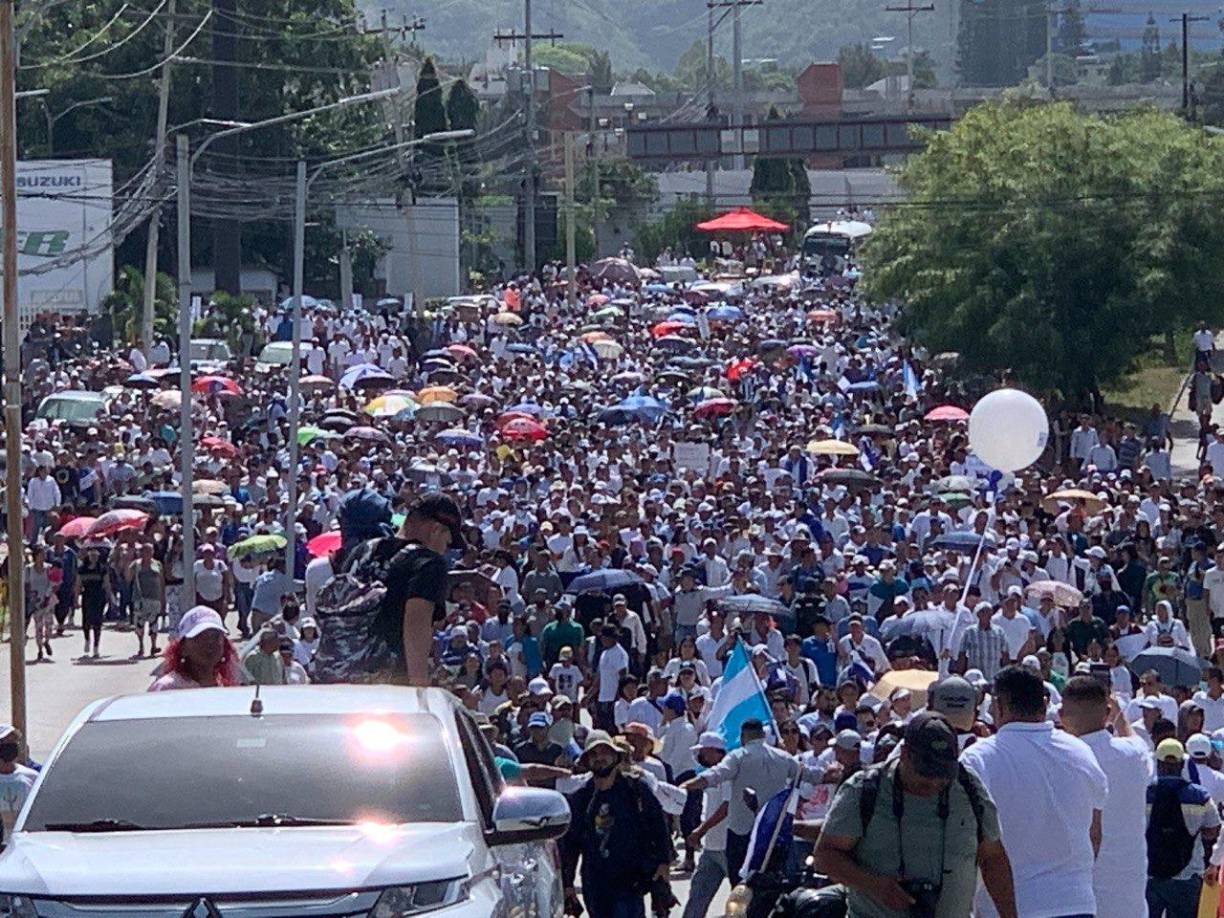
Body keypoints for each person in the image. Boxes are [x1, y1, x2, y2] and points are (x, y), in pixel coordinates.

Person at [816, 712, 1019, 918]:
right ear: (904, 754)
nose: (933, 783)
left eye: (942, 775)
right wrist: (874, 886)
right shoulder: (866, 790)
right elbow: (825, 855)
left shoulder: (968, 787)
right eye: (925, 773)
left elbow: (993, 858)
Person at [961, 665, 1107, 918]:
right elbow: (1094, 833)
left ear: (999, 704)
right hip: (1076, 903)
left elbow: (981, 849)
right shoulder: (1080, 751)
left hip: (1010, 908)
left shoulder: (978, 759)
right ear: (1043, 703)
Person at [1060, 675, 1152, 918]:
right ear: (1107, 711)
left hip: (1075, 896)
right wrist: (1120, 715)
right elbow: (1135, 740)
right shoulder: (1134, 754)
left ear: (1061, 716)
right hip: (1128, 895)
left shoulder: (1060, 760)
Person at [681, 718, 810, 883]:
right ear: (763, 735)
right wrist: (833, 774)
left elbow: (715, 775)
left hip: (741, 834)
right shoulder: (784, 757)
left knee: (741, 887)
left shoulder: (738, 757)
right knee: (773, 883)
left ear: (742, 737)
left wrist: (687, 785)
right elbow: (811, 775)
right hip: (771, 832)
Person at [561, 730, 673, 918]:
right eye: (594, 754)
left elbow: (658, 826)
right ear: (587, 761)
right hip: (595, 884)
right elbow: (571, 844)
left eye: (605, 752)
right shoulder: (581, 799)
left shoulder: (635, 790)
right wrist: (567, 884)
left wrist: (664, 862)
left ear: (615, 756)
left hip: (630, 881)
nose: (600, 758)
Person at [1145, 738, 1220, 918]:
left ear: (1159, 763)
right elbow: (1213, 830)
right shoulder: (1199, 795)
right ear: (1182, 763)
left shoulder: (1145, 793)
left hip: (1150, 875)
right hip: (1187, 875)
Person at [682, 732, 731, 918]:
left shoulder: (728, 772)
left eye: (703, 752)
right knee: (697, 897)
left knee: (742, 898)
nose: (700, 757)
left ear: (713, 751)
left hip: (728, 847)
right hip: (711, 849)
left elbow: (726, 807)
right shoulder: (709, 775)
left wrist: (701, 830)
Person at [149, 606, 241, 690]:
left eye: (215, 636)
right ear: (183, 648)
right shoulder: (168, 688)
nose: (209, 643)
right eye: (200, 637)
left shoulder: (226, 687)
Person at [0, 726, 37, 841]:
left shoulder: (32, 777)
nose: (11, 747)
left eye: (14, 742)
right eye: (5, 743)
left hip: (22, 845)